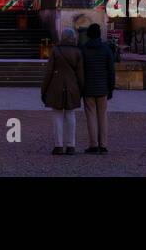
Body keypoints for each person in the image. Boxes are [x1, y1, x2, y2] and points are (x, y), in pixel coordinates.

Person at [40, 27, 86, 155]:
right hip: (72, 86)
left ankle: (58, 145)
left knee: (57, 116)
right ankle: (71, 145)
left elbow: (49, 72)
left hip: (56, 86)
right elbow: (80, 74)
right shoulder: (78, 52)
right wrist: (81, 89)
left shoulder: (56, 50)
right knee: (71, 115)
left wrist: (44, 89)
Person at [80, 23, 116, 154]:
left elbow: (81, 71)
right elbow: (111, 71)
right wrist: (111, 88)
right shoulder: (106, 49)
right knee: (102, 116)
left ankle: (93, 144)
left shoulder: (84, 49)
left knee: (91, 116)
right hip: (102, 87)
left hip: (88, 87)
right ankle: (103, 144)